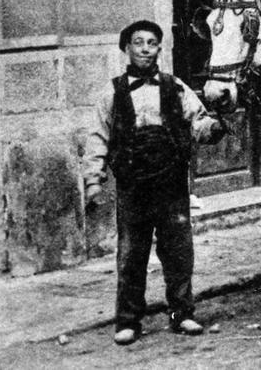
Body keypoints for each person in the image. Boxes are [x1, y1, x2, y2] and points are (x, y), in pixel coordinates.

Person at [84, 20, 225, 345]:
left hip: (171, 184)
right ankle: (129, 320)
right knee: (131, 254)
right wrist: (94, 178)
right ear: (126, 49)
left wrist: (212, 128)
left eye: (151, 43)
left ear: (159, 48)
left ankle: (182, 314)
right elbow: (97, 137)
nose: (145, 49)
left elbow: (198, 120)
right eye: (138, 43)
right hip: (133, 187)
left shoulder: (175, 87)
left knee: (178, 252)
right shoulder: (112, 92)